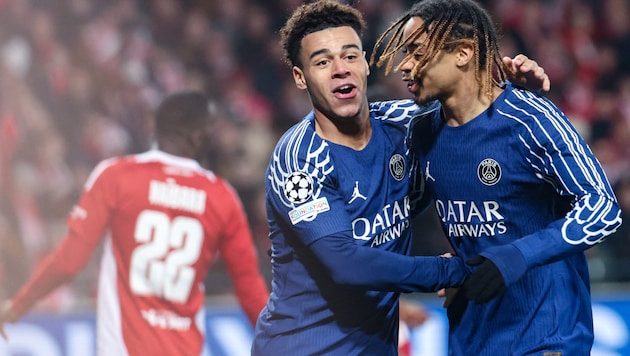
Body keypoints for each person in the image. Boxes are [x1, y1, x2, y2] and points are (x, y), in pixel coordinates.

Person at [251, 1, 549, 354]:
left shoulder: (405, 126)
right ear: (301, 77)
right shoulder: (299, 160)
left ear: (364, 63)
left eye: (349, 56)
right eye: (321, 62)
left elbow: (472, 112)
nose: (339, 70)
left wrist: (512, 93)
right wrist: (455, 272)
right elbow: (348, 264)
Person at [372, 0, 623, 354]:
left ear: (462, 53)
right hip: (470, 339)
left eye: (415, 52)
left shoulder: (531, 119)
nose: (406, 66)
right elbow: (341, 115)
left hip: (546, 340)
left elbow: (603, 209)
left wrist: (516, 256)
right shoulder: (420, 128)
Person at [0, 90, 270, 356]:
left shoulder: (116, 176)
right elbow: (249, 287)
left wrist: (19, 304)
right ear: (199, 136)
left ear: (156, 127)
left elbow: (69, 262)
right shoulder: (221, 196)